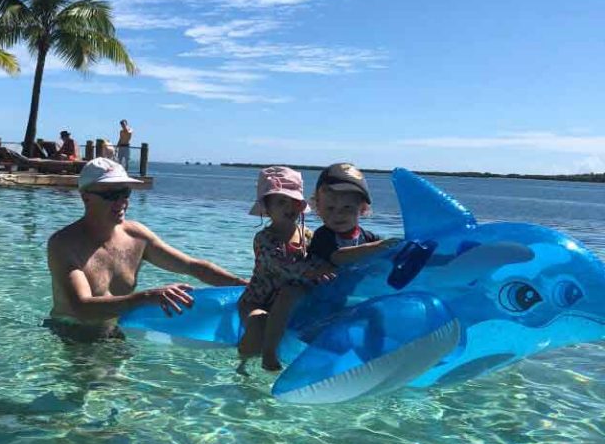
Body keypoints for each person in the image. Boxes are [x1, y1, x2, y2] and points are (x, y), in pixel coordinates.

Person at [47, 157, 247, 340]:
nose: (121, 202)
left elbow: (192, 266)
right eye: (111, 194)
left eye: (125, 192)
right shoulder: (64, 244)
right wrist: (147, 297)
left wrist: (245, 285)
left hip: (116, 333)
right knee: (100, 380)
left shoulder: (136, 236)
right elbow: (81, 307)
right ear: (86, 197)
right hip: (72, 337)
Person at [255, 163, 397, 371]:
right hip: (314, 294)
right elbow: (338, 258)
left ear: (363, 209)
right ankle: (269, 352)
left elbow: (387, 257)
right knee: (288, 294)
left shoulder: (367, 238)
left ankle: (376, 358)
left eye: (347, 208)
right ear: (318, 209)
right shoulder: (325, 236)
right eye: (330, 208)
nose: (338, 215)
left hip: (342, 298)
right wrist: (377, 248)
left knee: (376, 312)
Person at [237, 166, 333, 371]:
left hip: (289, 302)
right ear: (267, 208)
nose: (289, 207)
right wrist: (318, 270)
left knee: (296, 293)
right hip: (258, 300)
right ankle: (244, 365)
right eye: (281, 202)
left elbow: (321, 258)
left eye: (294, 202)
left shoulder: (308, 235)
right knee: (258, 322)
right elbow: (285, 267)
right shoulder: (264, 239)